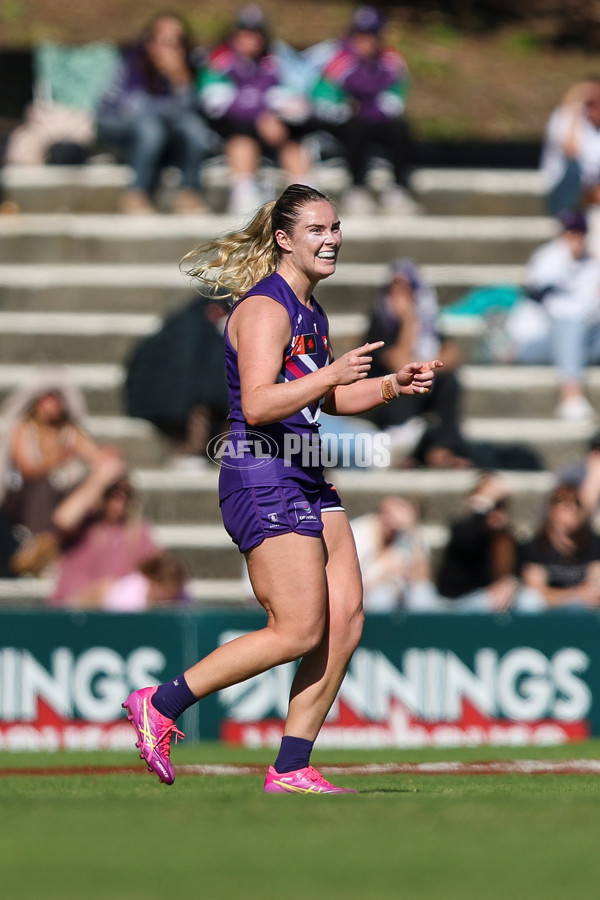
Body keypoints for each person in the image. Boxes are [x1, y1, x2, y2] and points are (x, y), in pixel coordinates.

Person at [122, 183, 441, 793]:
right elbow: (262, 403)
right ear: (284, 239)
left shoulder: (310, 309)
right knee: (298, 628)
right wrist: (329, 374)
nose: (332, 239)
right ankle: (161, 704)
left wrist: (393, 385)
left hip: (306, 470)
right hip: (261, 474)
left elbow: (329, 396)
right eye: (317, 230)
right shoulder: (266, 309)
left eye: (336, 227)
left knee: (345, 618)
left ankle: (292, 765)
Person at [197, 4, 312, 216]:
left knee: (293, 139)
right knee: (242, 137)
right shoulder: (219, 60)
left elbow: (298, 103)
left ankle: (304, 197)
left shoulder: (276, 59)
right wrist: (263, 110)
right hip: (229, 128)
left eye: (255, 33)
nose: (249, 39)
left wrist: (269, 112)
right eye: (244, 33)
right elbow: (214, 102)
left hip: (272, 128)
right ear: (234, 35)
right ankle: (244, 195)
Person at [96, 12, 211, 214]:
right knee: (150, 126)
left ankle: (189, 193)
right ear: (148, 41)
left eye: (175, 42)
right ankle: (136, 194)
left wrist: (179, 79)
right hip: (115, 124)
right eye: (160, 40)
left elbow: (193, 114)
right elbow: (132, 108)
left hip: (160, 131)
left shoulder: (189, 68)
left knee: (193, 126)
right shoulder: (131, 62)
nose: (167, 48)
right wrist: (167, 107)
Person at [310, 5, 418, 215]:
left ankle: (398, 189)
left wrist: (372, 108)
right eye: (360, 35)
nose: (364, 41)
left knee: (400, 129)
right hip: (344, 121)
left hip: (377, 118)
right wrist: (344, 107)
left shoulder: (390, 60)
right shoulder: (339, 60)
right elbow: (322, 95)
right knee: (356, 129)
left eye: (370, 35)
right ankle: (356, 188)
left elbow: (396, 96)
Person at [362, 258, 470, 468]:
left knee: (449, 380)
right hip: (383, 401)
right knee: (402, 381)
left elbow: (452, 354)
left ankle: (443, 448)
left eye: (406, 288)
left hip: (420, 390)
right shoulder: (380, 322)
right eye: (395, 288)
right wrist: (408, 321)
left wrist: (428, 364)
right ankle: (403, 449)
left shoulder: (427, 318)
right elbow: (398, 362)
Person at [0, 368, 106, 581]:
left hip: (60, 505)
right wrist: (58, 458)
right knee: (43, 485)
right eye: (47, 399)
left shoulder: (70, 432)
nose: (52, 405)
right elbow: (28, 468)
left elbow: (96, 456)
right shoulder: (23, 429)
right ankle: (37, 545)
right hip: (23, 500)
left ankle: (49, 548)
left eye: (56, 399)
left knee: (84, 488)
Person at [504, 209, 600, 421]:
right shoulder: (546, 258)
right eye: (570, 232)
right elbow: (556, 310)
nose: (574, 238)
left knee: (576, 330)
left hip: (579, 341)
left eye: (579, 232)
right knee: (570, 324)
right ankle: (570, 393)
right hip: (535, 340)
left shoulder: (592, 265)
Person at [49, 452, 160, 607]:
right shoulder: (84, 523)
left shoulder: (139, 532)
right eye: (111, 494)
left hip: (117, 615)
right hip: (71, 610)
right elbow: (62, 520)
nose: (117, 503)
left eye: (124, 495)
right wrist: (100, 478)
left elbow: (160, 572)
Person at [435, 473, 525, 613]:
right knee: (488, 600)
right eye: (490, 507)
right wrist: (483, 501)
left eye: (500, 507)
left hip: (490, 603)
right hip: (456, 604)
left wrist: (510, 584)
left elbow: (520, 573)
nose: (495, 513)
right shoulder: (462, 530)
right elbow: (468, 541)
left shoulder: (509, 540)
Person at [519, 481, 600, 609]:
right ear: (552, 510)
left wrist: (588, 593)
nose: (573, 509)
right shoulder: (536, 545)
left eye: (577, 504)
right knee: (529, 600)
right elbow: (537, 591)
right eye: (566, 504)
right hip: (548, 611)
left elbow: (595, 582)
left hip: (583, 608)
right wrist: (575, 595)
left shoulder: (593, 543)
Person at [350, 495, 437, 612]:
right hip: (365, 595)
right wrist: (384, 570)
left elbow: (422, 579)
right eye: (386, 513)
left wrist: (410, 531)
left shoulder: (408, 536)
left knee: (422, 595)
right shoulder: (358, 534)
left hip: (398, 594)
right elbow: (352, 584)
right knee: (381, 597)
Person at [540, 78, 600, 216]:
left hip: (591, 190)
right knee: (573, 168)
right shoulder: (564, 115)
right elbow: (571, 151)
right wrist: (575, 113)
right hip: (563, 186)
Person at [78, 550, 189, 611]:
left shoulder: (180, 597)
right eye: (168, 591)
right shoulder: (127, 598)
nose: (172, 597)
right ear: (153, 583)